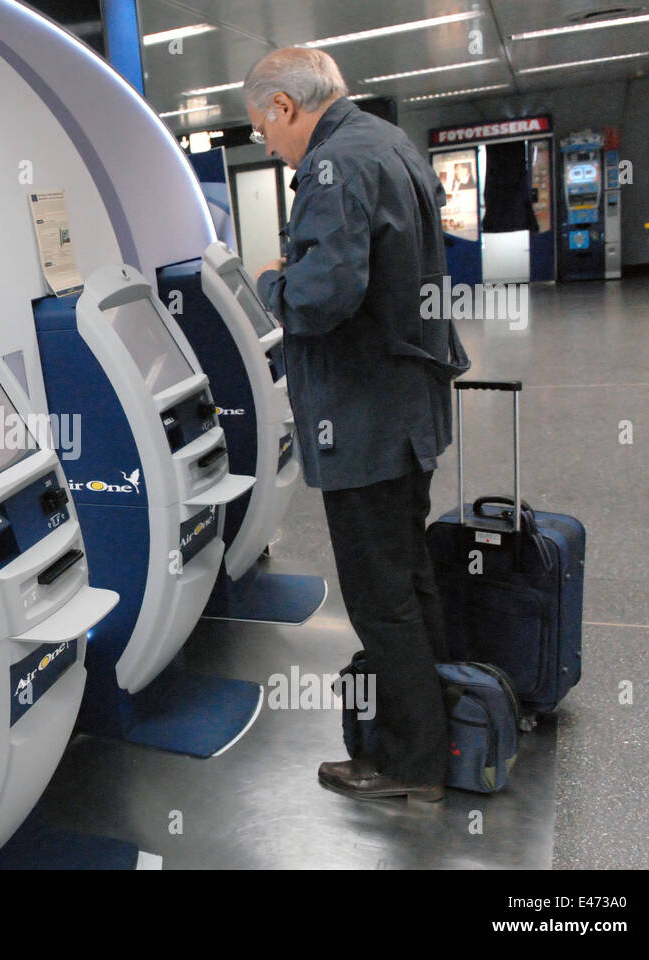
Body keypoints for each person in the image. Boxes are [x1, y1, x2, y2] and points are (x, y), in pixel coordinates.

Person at [244, 48, 470, 802]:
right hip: (406, 408)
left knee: (380, 596)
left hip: (364, 418)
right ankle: (437, 726)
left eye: (263, 129)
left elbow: (322, 296)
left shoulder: (335, 165)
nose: (269, 146)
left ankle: (408, 764)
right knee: (409, 577)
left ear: (283, 107)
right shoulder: (389, 142)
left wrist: (273, 279)